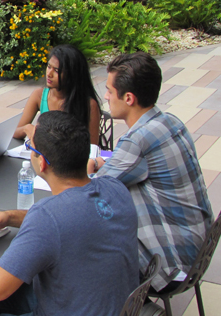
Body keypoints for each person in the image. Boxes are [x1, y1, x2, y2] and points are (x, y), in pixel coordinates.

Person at [0, 111, 139, 316]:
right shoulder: (115, 188)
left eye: (29, 147)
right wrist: (10, 217)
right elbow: (73, 221)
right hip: (114, 307)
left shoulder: (48, 217)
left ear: (41, 163)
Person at [90, 52, 213, 295]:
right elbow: (130, 167)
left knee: (89, 227)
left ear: (128, 97)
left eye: (108, 90)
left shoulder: (138, 141)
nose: (105, 96)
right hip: (200, 247)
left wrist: (84, 169)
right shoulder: (170, 121)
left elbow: (90, 192)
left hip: (174, 261)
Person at [13, 44, 101, 145]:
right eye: (49, 67)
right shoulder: (39, 95)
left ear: (71, 75)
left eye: (57, 70)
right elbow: (14, 132)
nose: (49, 74)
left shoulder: (88, 105)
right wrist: (26, 128)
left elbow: (93, 148)